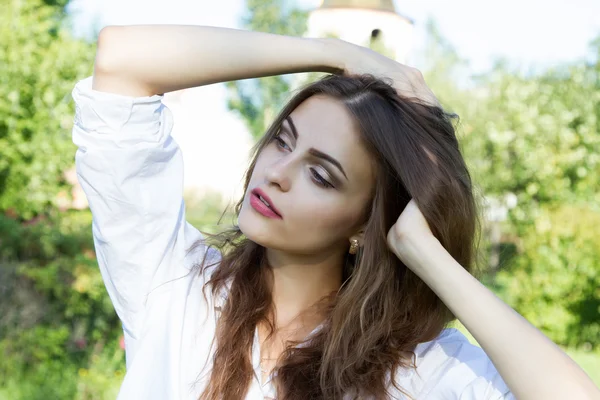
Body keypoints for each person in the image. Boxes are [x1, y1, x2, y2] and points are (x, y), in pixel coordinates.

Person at [70, 25, 599, 400]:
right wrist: (333, 53)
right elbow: (120, 63)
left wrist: (424, 252)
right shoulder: (175, 285)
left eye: (321, 175)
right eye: (283, 140)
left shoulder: (416, 371)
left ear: (365, 224)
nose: (276, 172)